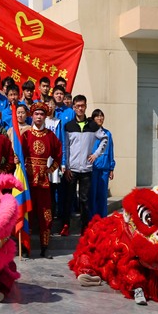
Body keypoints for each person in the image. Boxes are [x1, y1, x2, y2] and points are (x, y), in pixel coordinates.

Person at [16, 102, 62, 259]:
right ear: (32, 116)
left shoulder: (50, 135)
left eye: (42, 114)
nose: (39, 117)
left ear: (45, 117)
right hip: (28, 182)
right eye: (36, 114)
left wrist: (51, 169)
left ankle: (45, 248)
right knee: (28, 213)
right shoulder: (26, 135)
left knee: (45, 214)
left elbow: (59, 153)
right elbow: (19, 155)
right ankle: (25, 247)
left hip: (43, 182)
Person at [61, 95, 109, 237]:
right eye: (77, 106)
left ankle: (85, 227)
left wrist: (96, 154)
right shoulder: (69, 126)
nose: (80, 108)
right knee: (68, 198)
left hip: (87, 169)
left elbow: (104, 138)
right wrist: (66, 166)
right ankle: (66, 225)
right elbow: (66, 147)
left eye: (82, 105)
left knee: (84, 200)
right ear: (74, 107)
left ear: (86, 107)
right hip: (72, 169)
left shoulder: (92, 126)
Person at [89, 109, 115, 220]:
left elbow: (111, 151)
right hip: (92, 169)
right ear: (93, 118)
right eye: (97, 116)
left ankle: (102, 219)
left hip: (104, 169)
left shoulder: (107, 134)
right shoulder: (90, 133)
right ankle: (91, 219)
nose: (100, 118)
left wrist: (111, 168)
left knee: (102, 196)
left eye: (101, 116)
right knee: (92, 195)